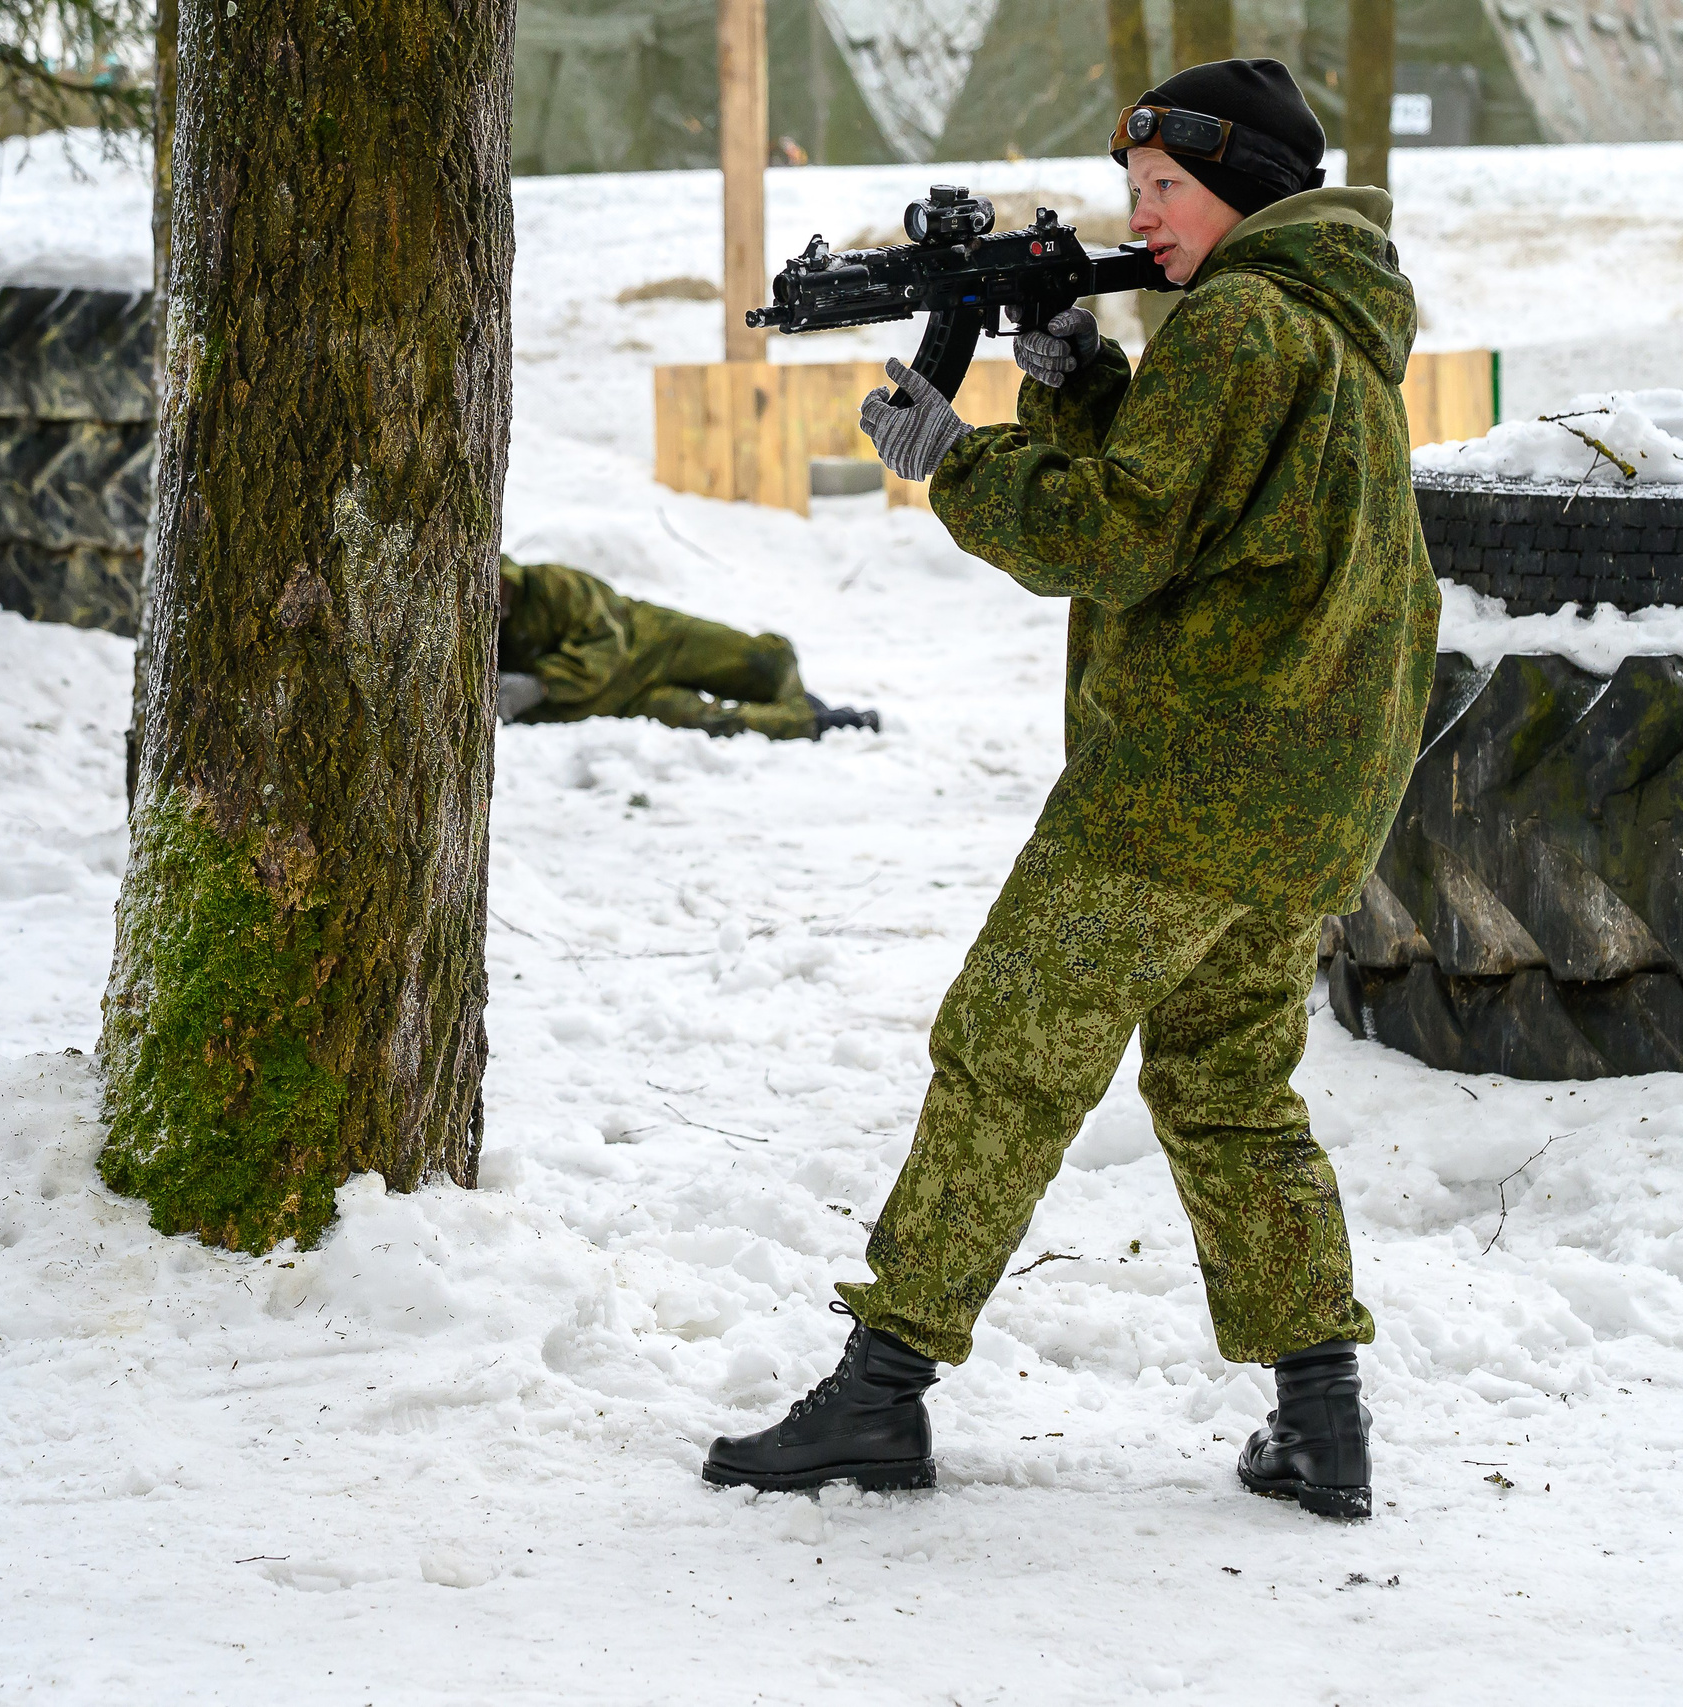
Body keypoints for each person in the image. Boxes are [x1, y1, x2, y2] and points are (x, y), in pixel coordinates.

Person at [700, 59, 1438, 1522]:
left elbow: (1118, 540)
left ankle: (881, 1391)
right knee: (1228, 1089)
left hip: (1184, 787)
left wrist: (956, 463)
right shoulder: (1326, 324)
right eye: (1134, 189)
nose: (1140, 215)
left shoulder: (1237, 323)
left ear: (1242, 188)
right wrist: (1083, 381)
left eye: (1164, 188)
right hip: (1307, 795)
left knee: (1008, 1050)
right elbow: (1204, 515)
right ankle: (1322, 1417)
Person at [496, 554, 880, 741]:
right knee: (711, 722)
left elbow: (606, 643)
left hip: (655, 640)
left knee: (762, 661)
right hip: (625, 701)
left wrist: (543, 684)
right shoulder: (492, 636)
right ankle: (815, 722)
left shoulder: (551, 584)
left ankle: (799, 699)